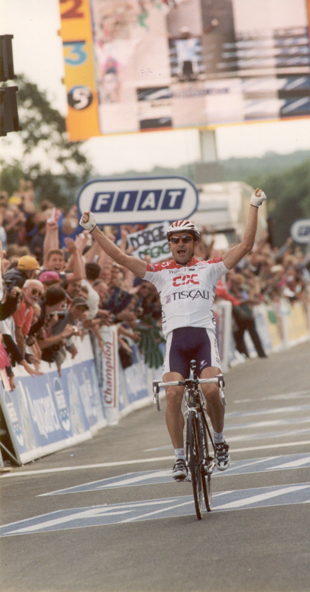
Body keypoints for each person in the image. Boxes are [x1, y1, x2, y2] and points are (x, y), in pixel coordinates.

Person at [80, 187, 267, 479]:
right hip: (176, 342)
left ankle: (218, 441)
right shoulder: (159, 271)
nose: (180, 245)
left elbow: (245, 245)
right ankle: (179, 457)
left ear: (194, 244)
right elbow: (118, 256)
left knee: (210, 389)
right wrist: (94, 229)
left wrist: (254, 206)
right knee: (172, 395)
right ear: (170, 245)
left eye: (186, 240)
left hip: (203, 338)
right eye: (175, 241)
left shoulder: (210, 268)